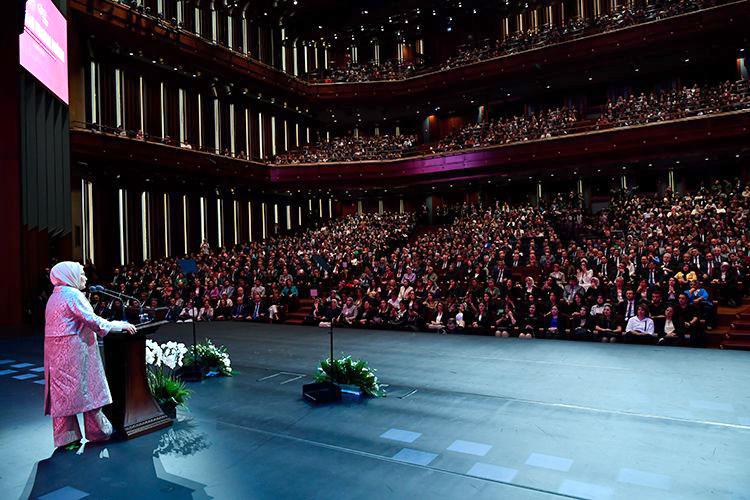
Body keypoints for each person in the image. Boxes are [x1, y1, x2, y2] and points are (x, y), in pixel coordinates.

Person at [44, 261, 136, 450]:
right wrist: (119, 325)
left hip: (55, 354)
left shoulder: (54, 296)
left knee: (62, 397)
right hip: (76, 353)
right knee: (90, 391)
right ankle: (98, 433)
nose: (85, 278)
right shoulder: (72, 294)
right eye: (81, 274)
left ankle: (66, 438)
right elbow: (94, 321)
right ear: (70, 276)